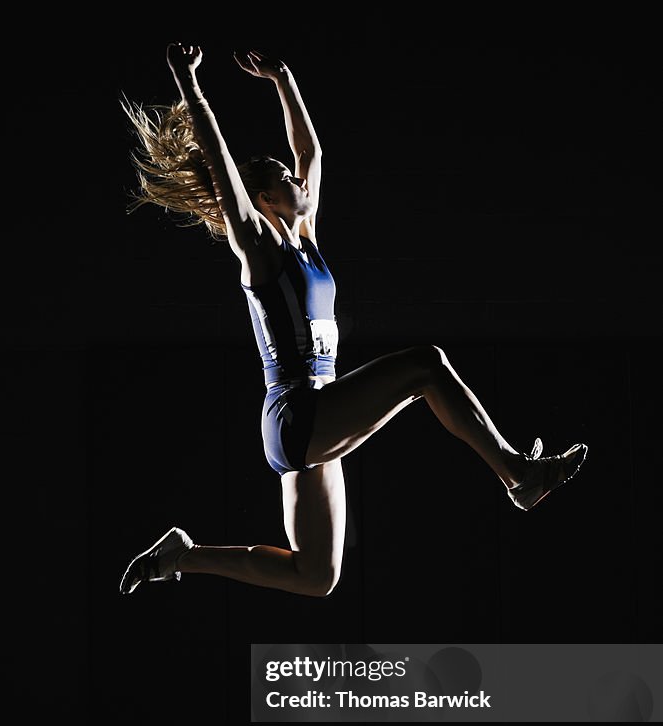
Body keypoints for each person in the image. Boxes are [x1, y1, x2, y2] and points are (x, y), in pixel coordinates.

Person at [118, 43, 587, 598]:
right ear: (264, 198)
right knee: (425, 366)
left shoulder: (306, 238)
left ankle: (182, 557)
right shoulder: (260, 248)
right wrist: (189, 84)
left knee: (317, 576)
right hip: (300, 410)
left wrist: (283, 79)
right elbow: (223, 170)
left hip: (313, 413)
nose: (302, 183)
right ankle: (518, 475)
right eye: (288, 181)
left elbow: (310, 150)